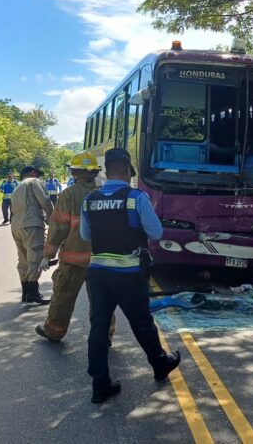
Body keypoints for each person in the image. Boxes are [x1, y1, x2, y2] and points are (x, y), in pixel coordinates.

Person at [80, 148, 180, 404]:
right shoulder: (136, 198)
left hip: (98, 274)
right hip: (129, 273)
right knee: (142, 323)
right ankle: (160, 364)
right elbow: (156, 233)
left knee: (99, 327)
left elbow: (86, 236)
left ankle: (99, 384)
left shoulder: (90, 199)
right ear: (126, 171)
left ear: (106, 171)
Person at [36, 152, 116, 342]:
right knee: (102, 301)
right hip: (102, 260)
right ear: (95, 172)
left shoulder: (69, 194)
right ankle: (106, 335)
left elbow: (57, 228)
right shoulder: (106, 193)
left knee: (63, 296)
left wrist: (47, 255)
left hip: (74, 260)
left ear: (74, 172)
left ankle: (54, 331)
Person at [10, 166, 54, 305]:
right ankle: (34, 293)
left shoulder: (17, 188)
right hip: (31, 223)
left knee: (23, 259)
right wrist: (51, 219)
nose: (39, 178)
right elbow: (45, 200)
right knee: (35, 257)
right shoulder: (33, 181)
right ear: (33, 173)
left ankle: (26, 293)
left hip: (16, 226)